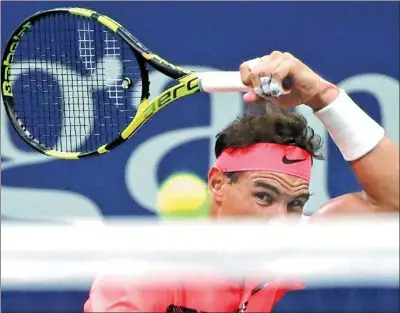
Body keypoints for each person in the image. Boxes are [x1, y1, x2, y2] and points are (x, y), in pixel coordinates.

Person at [84, 51, 399, 312]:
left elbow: (392, 202)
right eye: (263, 196)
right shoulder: (140, 274)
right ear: (218, 184)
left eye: (295, 204)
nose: (279, 222)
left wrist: (323, 95)